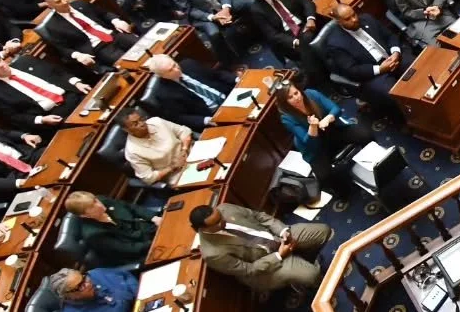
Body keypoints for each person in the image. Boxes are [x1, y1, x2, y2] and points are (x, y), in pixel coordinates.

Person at [189, 204, 327, 292]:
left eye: (220, 216)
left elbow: (259, 217)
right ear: (202, 229)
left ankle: (302, 259)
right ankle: (298, 278)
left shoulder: (225, 208)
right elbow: (249, 270)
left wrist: (282, 231)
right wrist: (279, 255)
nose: (223, 221)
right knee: (313, 276)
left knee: (323, 232)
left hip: (276, 238)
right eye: (217, 223)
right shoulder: (212, 253)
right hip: (265, 265)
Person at [275, 72, 373, 192]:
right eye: (290, 97)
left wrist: (327, 118)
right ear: (285, 102)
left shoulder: (311, 94)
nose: (296, 98)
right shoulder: (287, 118)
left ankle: (372, 163)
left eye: (296, 93)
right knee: (325, 177)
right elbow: (307, 141)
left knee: (366, 135)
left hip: (332, 131)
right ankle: (346, 192)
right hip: (316, 147)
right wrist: (313, 126)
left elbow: (335, 109)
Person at [322, 4, 404, 115]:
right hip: (372, 74)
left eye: (354, 14)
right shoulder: (335, 44)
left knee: (418, 67)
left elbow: (390, 36)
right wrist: (380, 69)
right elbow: (352, 70)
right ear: (339, 22)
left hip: (391, 57)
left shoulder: (367, 19)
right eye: (348, 19)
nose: (354, 19)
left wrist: (395, 52)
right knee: (397, 94)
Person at [0, 53, 87, 131]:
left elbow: (58, 71)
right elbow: (15, 117)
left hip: (73, 95)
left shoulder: (26, 61)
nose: (0, 65)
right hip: (55, 115)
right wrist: (41, 120)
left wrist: (77, 83)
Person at [36, 0, 137, 71]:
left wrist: (116, 20)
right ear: (50, 5)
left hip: (113, 34)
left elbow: (104, 13)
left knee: (144, 46)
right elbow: (63, 48)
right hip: (98, 47)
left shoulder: (81, 3)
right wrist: (77, 55)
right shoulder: (53, 25)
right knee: (130, 64)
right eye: (58, 2)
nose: (64, 2)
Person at [64, 191, 158, 268]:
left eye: (95, 200)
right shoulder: (94, 235)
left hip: (147, 230)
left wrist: (153, 217)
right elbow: (129, 249)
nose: (99, 205)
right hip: (141, 252)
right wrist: (156, 242)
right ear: (84, 215)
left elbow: (130, 207)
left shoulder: (102, 200)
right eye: (92, 206)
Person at [118, 106, 193, 185]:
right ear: (126, 130)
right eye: (136, 124)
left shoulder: (156, 122)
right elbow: (148, 178)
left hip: (191, 152)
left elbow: (184, 131)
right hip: (178, 174)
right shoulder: (132, 152)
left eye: (142, 119)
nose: (142, 124)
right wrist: (173, 167)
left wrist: (184, 149)